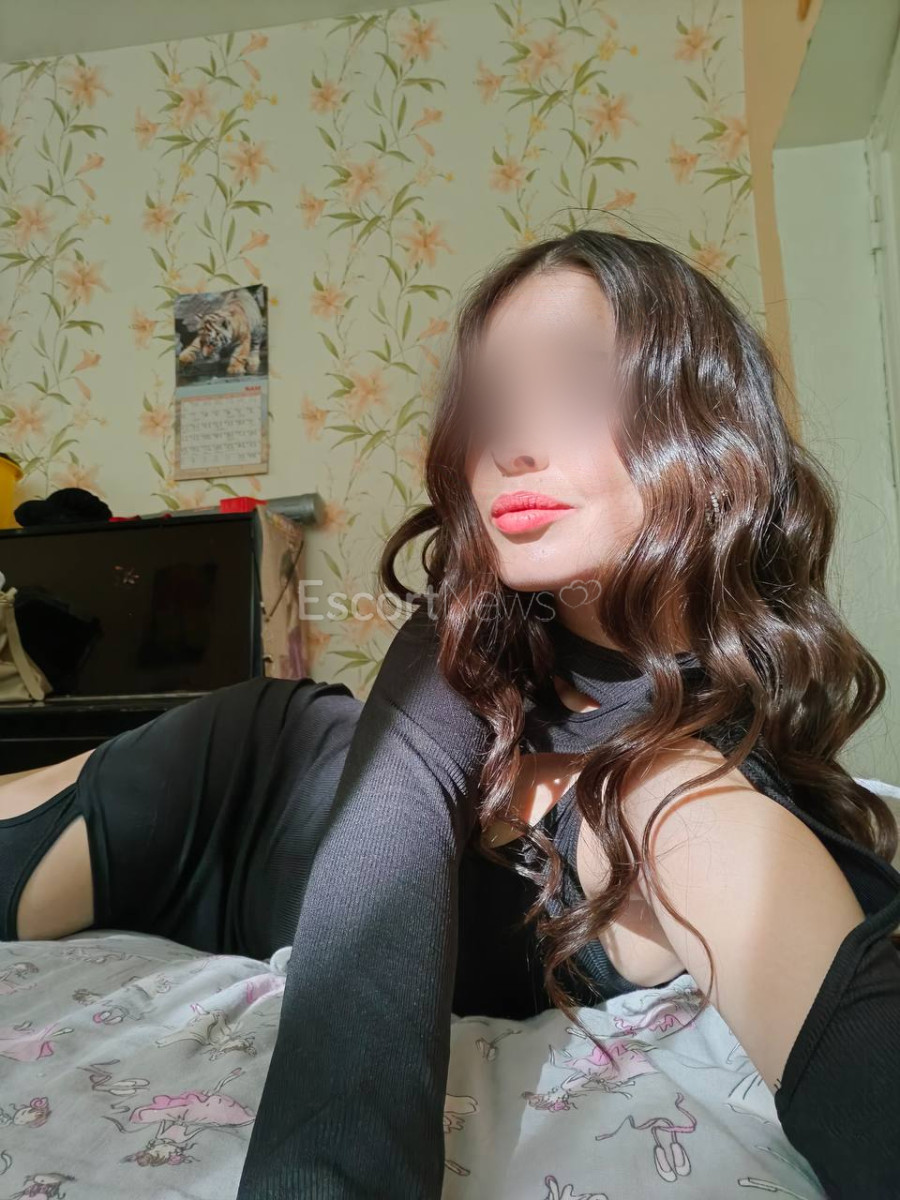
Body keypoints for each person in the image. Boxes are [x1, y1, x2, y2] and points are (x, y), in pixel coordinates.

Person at [2, 228, 899, 1199]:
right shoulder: (460, 637)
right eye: (491, 402)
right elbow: (367, 946)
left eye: (578, 385)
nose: (509, 444)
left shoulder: (694, 799)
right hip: (230, 780)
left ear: (713, 433)